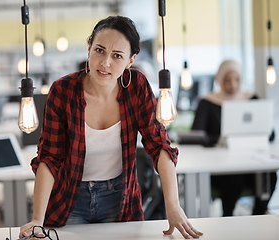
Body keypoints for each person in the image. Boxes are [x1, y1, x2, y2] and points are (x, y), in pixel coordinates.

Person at [19, 16, 203, 239]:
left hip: (120, 199)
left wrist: (172, 207)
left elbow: (159, 145)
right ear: (89, 49)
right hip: (70, 199)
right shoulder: (62, 91)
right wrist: (37, 219)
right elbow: (49, 158)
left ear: (130, 60)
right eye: (99, 50)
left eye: (117, 56)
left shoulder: (137, 86)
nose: (105, 63)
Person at [191, 59, 277, 216]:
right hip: (221, 168)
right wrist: (221, 140)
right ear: (219, 79)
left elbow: (270, 134)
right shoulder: (208, 102)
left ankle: (258, 215)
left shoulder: (251, 99)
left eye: (237, 79)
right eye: (227, 80)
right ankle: (228, 217)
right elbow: (197, 133)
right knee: (234, 180)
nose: (233, 85)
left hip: (251, 163)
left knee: (270, 176)